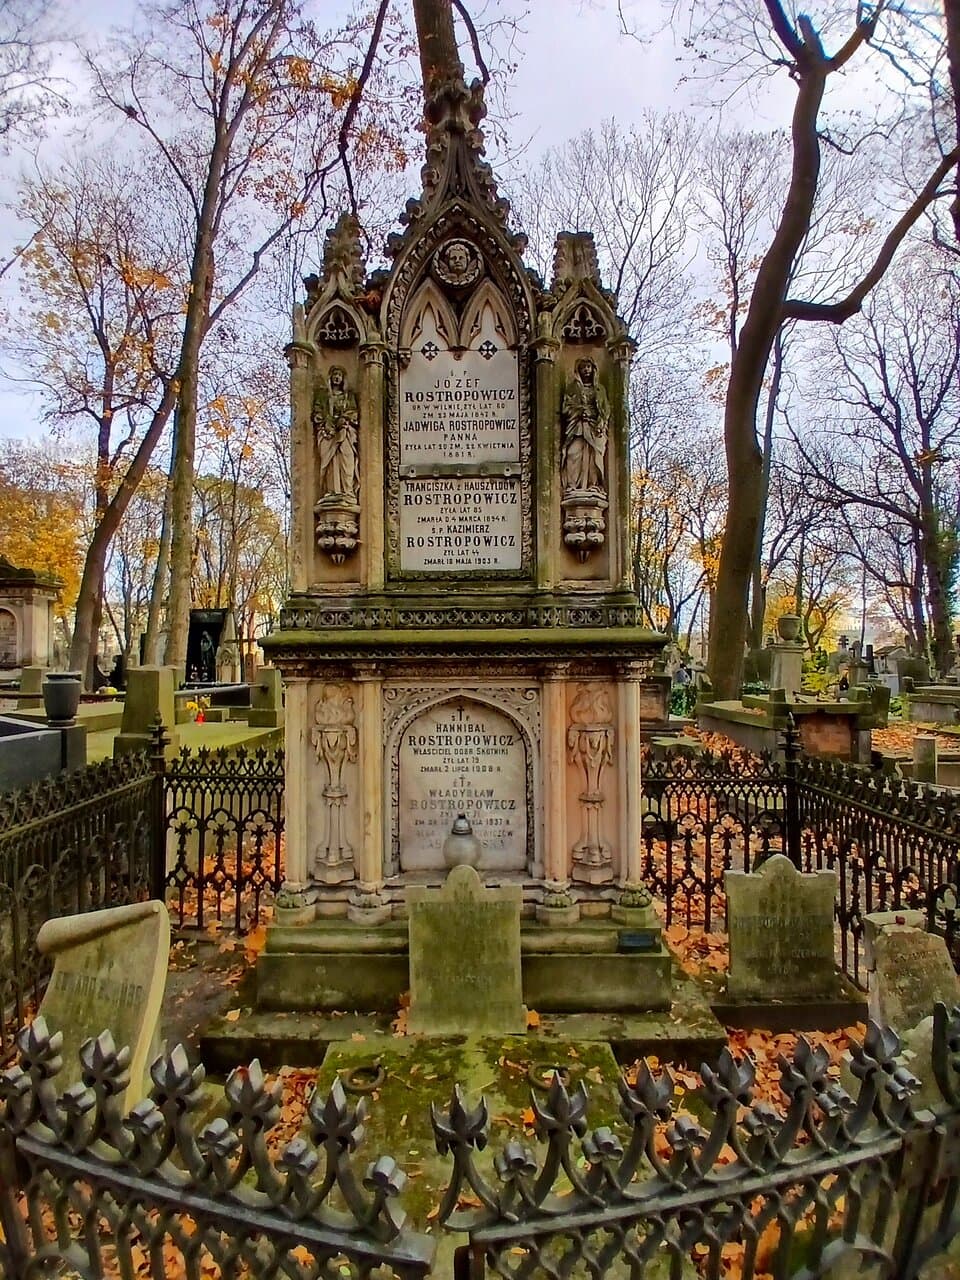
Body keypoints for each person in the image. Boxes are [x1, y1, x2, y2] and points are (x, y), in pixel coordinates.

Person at [560, 357, 610, 494]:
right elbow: (566, 408)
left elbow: (605, 411)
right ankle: (572, 486)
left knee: (594, 457)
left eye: (588, 367)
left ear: (593, 369)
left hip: (594, 429)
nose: (586, 370)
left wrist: (596, 418)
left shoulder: (600, 389)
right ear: (578, 370)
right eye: (583, 367)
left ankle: (593, 484)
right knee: (572, 453)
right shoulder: (572, 388)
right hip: (577, 427)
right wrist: (579, 410)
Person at [314, 366, 359, 500]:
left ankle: (347, 491)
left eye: (339, 375)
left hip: (345, 433)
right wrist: (327, 422)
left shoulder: (348, 396)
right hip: (328, 434)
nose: (337, 377)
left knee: (347, 460)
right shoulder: (323, 396)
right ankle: (332, 491)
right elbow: (317, 413)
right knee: (331, 462)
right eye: (334, 374)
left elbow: (354, 412)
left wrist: (344, 419)